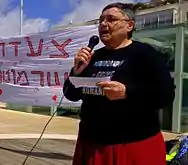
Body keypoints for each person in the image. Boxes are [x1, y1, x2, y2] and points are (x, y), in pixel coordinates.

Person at [63, 3, 175, 165]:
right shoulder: (92, 57)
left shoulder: (146, 54)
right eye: (101, 20)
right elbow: (70, 95)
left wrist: (127, 92)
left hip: (133, 144)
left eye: (111, 19)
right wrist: (77, 72)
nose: (103, 24)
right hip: (91, 144)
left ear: (129, 25)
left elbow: (165, 94)